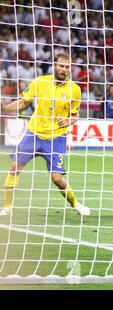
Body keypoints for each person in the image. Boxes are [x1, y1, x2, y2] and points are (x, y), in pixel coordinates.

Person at [0, 52, 90, 216]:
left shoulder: (75, 90)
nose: (64, 69)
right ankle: (7, 207)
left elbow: (75, 115)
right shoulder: (40, 82)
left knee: (56, 178)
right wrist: (5, 108)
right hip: (34, 133)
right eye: (61, 65)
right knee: (14, 168)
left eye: (67, 67)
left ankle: (75, 203)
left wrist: (68, 121)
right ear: (55, 65)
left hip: (57, 137)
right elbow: (23, 102)